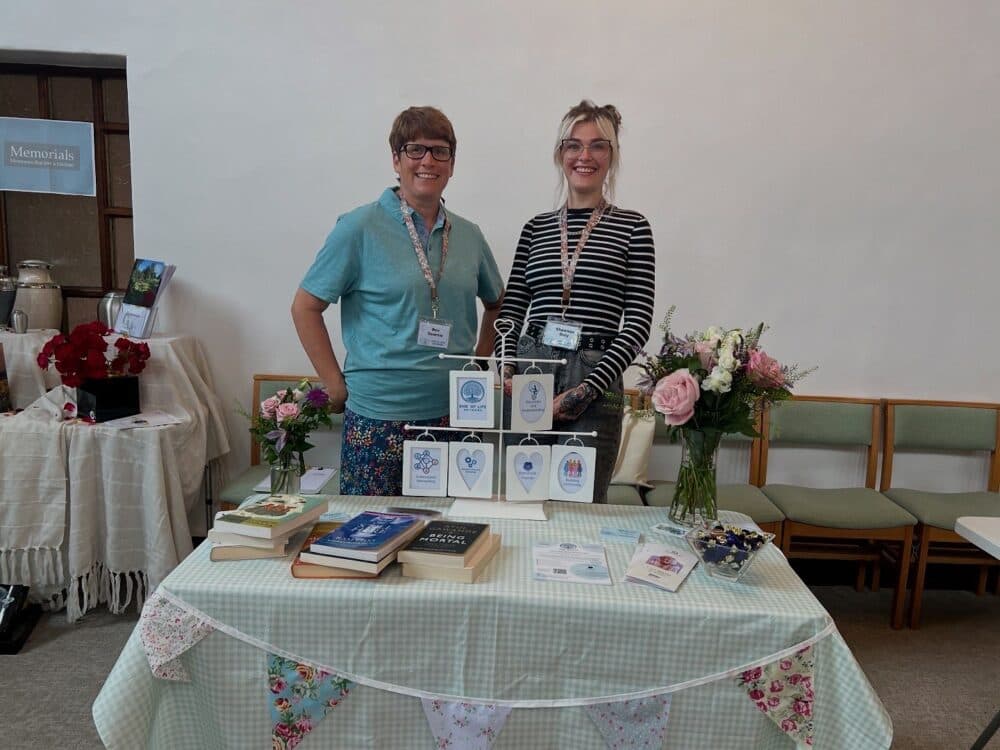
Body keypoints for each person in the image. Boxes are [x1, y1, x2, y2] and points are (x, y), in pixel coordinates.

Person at [292, 106, 505, 495]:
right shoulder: (359, 227)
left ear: (452, 164)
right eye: (415, 150)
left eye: (440, 151)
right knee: (369, 539)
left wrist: (478, 362)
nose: (428, 161)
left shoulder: (470, 235)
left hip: (452, 416)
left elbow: (497, 303)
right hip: (377, 418)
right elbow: (305, 307)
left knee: (443, 541)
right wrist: (333, 385)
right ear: (395, 159)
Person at [496, 100, 655, 502]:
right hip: (532, 371)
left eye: (598, 146)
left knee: (581, 507)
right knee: (524, 497)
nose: (585, 156)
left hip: (595, 375)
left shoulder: (633, 228)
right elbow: (512, 308)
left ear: (612, 156)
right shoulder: (536, 229)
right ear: (560, 154)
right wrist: (507, 368)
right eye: (574, 145)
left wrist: (585, 391)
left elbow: (637, 324)